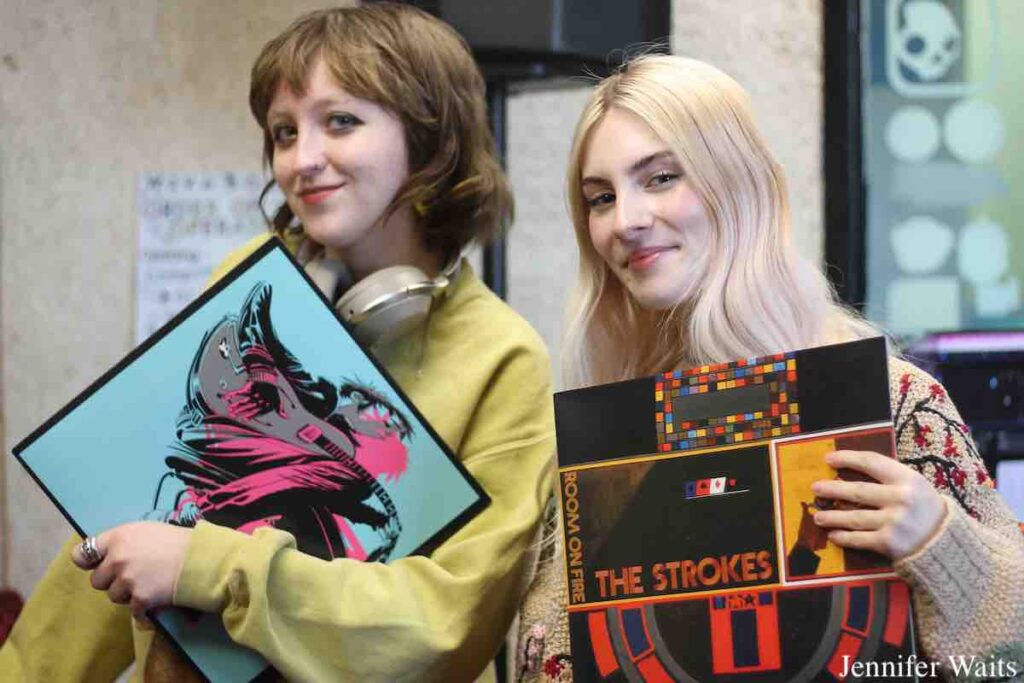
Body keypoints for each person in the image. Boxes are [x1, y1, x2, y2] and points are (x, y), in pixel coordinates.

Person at [2, 5, 555, 681]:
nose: (303, 159)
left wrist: (201, 565)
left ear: (432, 139)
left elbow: (445, 625)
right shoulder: (246, 280)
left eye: (340, 121)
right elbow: (133, 513)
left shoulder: (503, 356)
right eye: (285, 132)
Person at [514, 54, 1023, 682]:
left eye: (662, 177)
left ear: (740, 183)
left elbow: (1010, 661)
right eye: (601, 198)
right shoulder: (607, 441)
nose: (627, 220)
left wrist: (941, 543)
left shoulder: (894, 406)